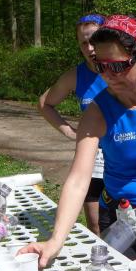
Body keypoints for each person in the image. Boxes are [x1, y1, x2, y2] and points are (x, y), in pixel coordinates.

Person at [21, 15, 136, 271]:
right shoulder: (96, 113)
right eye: (100, 66)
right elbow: (78, 179)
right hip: (120, 214)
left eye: (117, 66)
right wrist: (56, 240)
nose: (108, 76)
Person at [37, 14, 108, 235]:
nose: (90, 48)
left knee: (127, 221)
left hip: (125, 156)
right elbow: (45, 103)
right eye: (84, 43)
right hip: (94, 158)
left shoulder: (124, 70)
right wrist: (70, 132)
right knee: (96, 224)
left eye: (94, 40)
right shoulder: (76, 76)